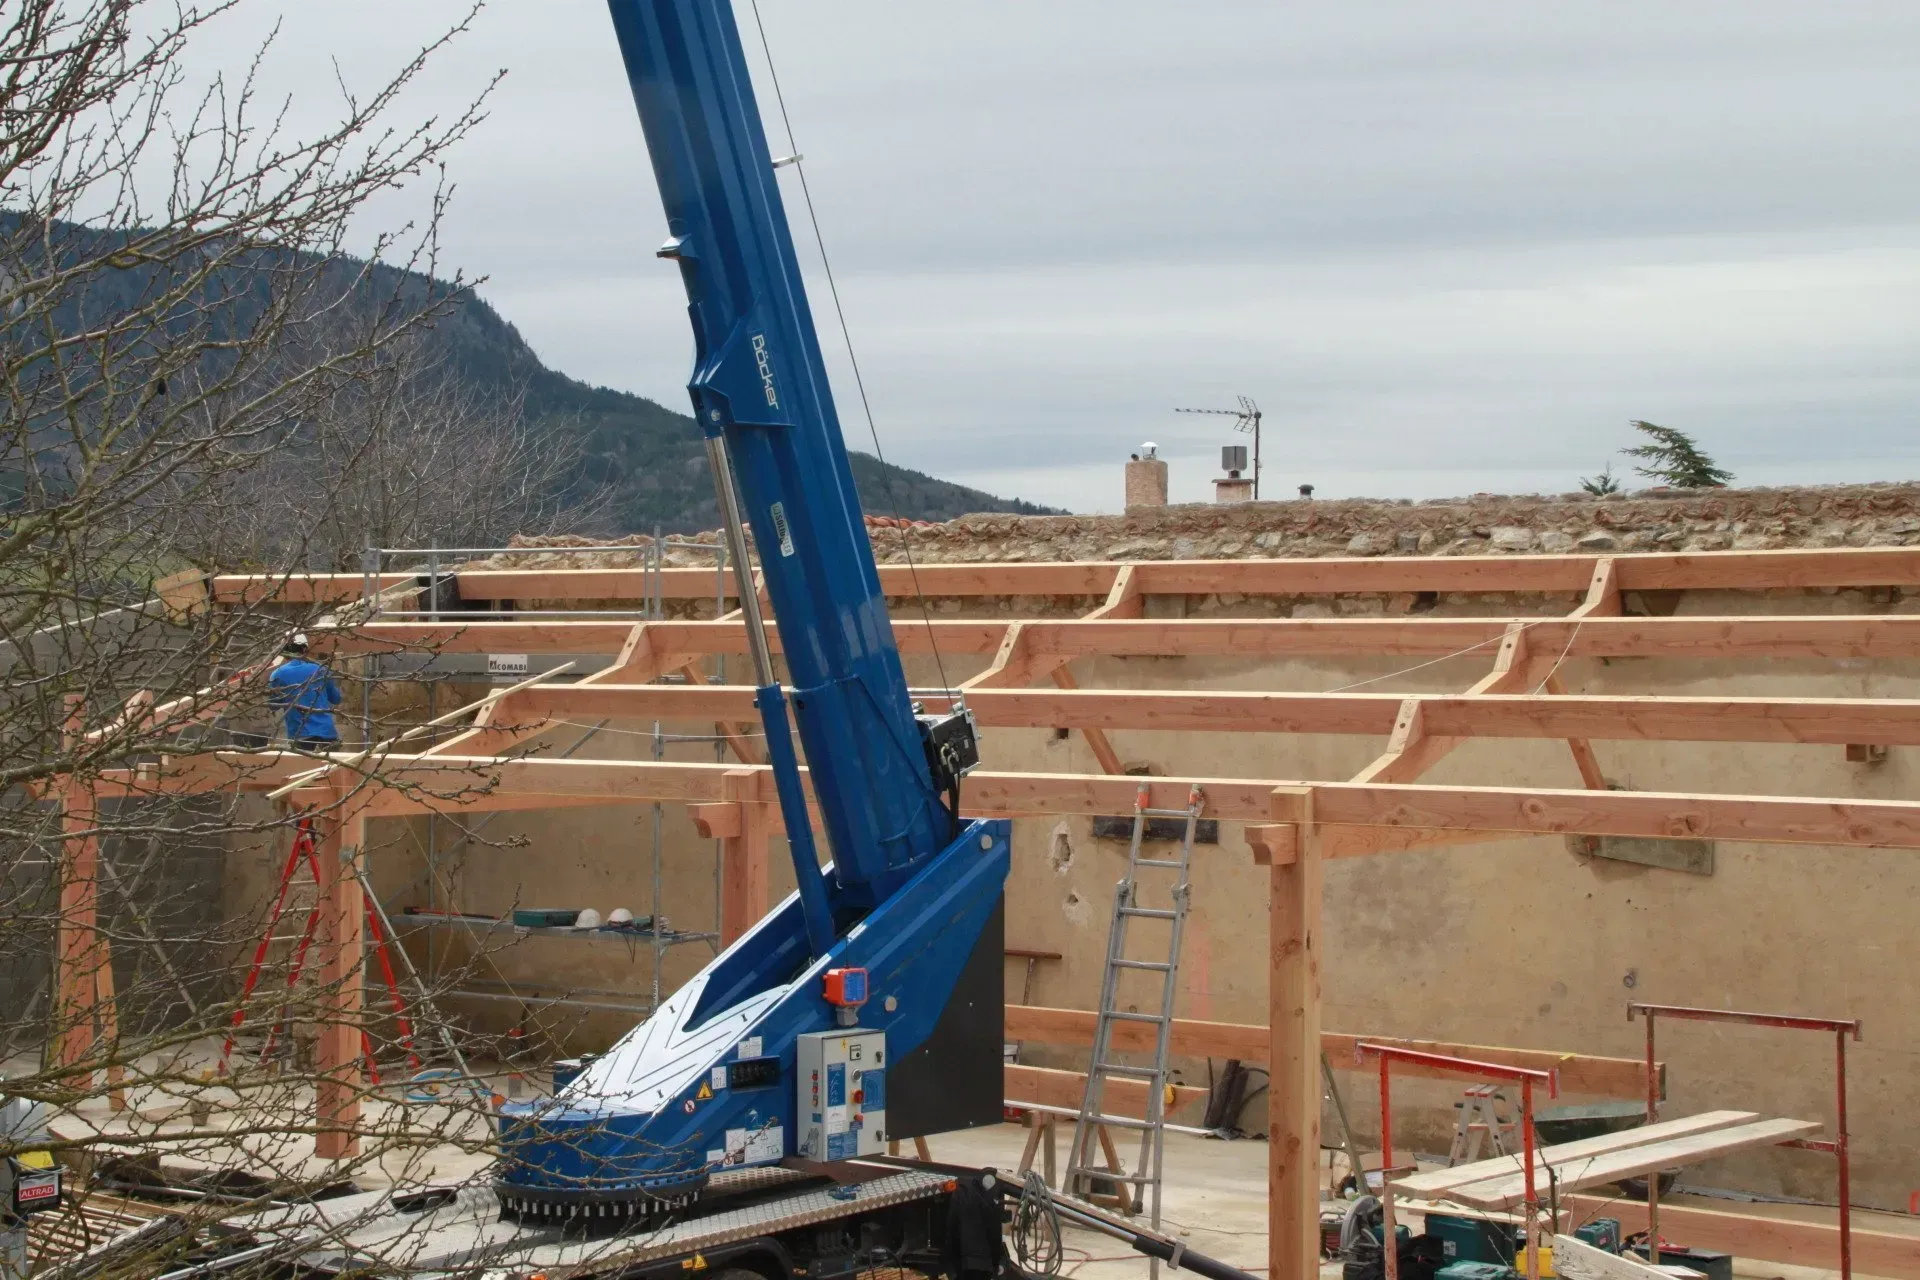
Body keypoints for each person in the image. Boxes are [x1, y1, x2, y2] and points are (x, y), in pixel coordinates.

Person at [268, 632, 343, 751]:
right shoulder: (322, 670)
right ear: (304, 649)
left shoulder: (278, 674)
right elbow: (336, 699)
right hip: (327, 734)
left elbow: (273, 705)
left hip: (301, 736)